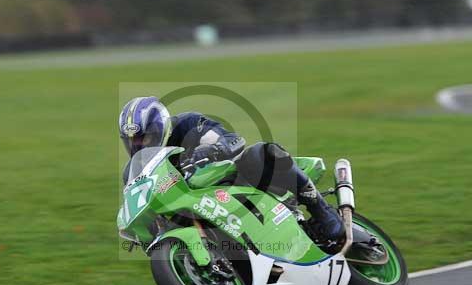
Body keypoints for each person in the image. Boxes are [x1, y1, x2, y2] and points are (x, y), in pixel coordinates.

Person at [119, 96, 344, 247]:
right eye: (131, 141)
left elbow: (233, 140)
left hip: (229, 179)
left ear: (161, 127)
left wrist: (211, 150)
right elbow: (139, 201)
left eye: (144, 137)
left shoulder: (188, 124)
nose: (139, 146)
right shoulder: (134, 170)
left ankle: (322, 210)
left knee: (262, 152)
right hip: (191, 205)